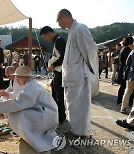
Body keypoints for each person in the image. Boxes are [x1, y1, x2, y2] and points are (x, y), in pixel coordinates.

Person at [0, 66, 59, 153]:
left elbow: (18, 103)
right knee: (18, 113)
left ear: (25, 77)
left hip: (47, 115)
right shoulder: (29, 84)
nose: (16, 79)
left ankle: (32, 136)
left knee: (19, 115)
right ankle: (28, 134)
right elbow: (20, 99)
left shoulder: (30, 87)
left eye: (18, 77)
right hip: (44, 112)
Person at [57, 9, 98, 137]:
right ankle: (75, 130)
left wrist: (90, 71)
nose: (58, 24)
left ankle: (82, 133)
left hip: (79, 74)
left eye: (58, 20)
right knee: (71, 104)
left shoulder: (80, 28)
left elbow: (90, 50)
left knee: (80, 106)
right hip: (72, 75)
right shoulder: (72, 30)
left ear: (64, 17)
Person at [40, 26, 66, 124]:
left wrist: (53, 65)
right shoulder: (56, 41)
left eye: (45, 37)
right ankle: (58, 115)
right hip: (57, 71)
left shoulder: (59, 41)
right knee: (55, 93)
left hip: (60, 71)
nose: (46, 39)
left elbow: (64, 57)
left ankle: (60, 116)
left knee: (59, 95)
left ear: (48, 33)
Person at [117, 36, 133, 107]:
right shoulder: (128, 50)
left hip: (122, 69)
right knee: (125, 88)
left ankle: (120, 102)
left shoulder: (124, 49)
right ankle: (122, 103)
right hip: (125, 70)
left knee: (123, 87)